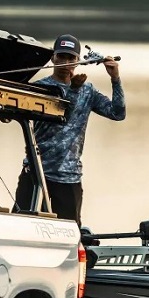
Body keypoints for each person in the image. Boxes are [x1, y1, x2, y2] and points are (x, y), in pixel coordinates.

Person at [14, 34, 125, 226]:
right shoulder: (40, 89)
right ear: (53, 58)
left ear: (78, 61)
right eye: (61, 57)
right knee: (21, 226)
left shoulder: (88, 90)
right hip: (36, 172)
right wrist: (73, 90)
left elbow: (118, 113)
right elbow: (61, 116)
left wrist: (115, 79)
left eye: (71, 58)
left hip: (69, 177)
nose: (65, 62)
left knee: (70, 233)